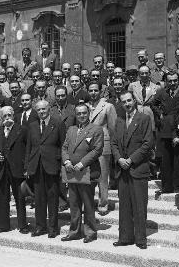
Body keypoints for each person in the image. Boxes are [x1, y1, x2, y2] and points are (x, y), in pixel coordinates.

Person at [111, 91, 154, 250]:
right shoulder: (120, 120)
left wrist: (130, 159)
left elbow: (147, 144)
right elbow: (114, 143)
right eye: (124, 102)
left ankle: (141, 239)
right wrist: (119, 159)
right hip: (123, 169)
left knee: (139, 206)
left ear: (134, 101)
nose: (127, 104)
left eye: (129, 100)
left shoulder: (144, 119)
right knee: (125, 206)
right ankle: (125, 237)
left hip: (137, 168)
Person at [61, 104, 104, 243]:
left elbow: (97, 150)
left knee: (88, 204)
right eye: (79, 113)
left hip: (87, 171)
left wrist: (82, 163)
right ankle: (74, 231)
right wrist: (67, 161)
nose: (81, 116)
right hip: (72, 172)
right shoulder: (71, 129)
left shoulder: (96, 129)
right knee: (74, 204)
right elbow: (65, 147)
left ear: (89, 113)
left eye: (84, 113)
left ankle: (90, 232)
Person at [24, 100, 66, 238]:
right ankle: (40, 226)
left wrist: (61, 164)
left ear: (49, 109)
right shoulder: (32, 125)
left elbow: (63, 145)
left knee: (53, 197)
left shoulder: (58, 123)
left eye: (44, 109)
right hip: (36, 166)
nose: (42, 112)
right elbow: (29, 147)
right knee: (39, 198)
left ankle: (53, 228)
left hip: (52, 165)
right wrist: (27, 166)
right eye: (39, 110)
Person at [0, 106, 30, 234]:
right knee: (2, 197)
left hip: (17, 169)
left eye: (9, 115)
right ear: (1, 118)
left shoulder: (22, 130)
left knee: (19, 197)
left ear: (13, 116)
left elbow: (28, 149)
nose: (7, 118)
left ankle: (22, 225)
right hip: (2, 169)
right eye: (4, 116)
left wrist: (26, 167)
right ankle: (3, 225)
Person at [87, 82, 117, 215]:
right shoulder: (85, 107)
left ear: (100, 91)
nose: (93, 93)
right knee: (87, 175)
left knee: (103, 176)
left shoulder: (108, 106)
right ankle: (87, 203)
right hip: (87, 146)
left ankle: (103, 203)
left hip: (103, 144)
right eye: (90, 90)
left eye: (95, 90)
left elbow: (113, 128)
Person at [152, 71, 179, 194]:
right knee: (166, 160)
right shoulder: (162, 92)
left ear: (178, 80)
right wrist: (159, 113)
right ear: (166, 81)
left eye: (175, 80)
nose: (172, 83)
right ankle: (167, 186)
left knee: (178, 159)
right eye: (170, 81)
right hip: (165, 129)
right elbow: (153, 104)